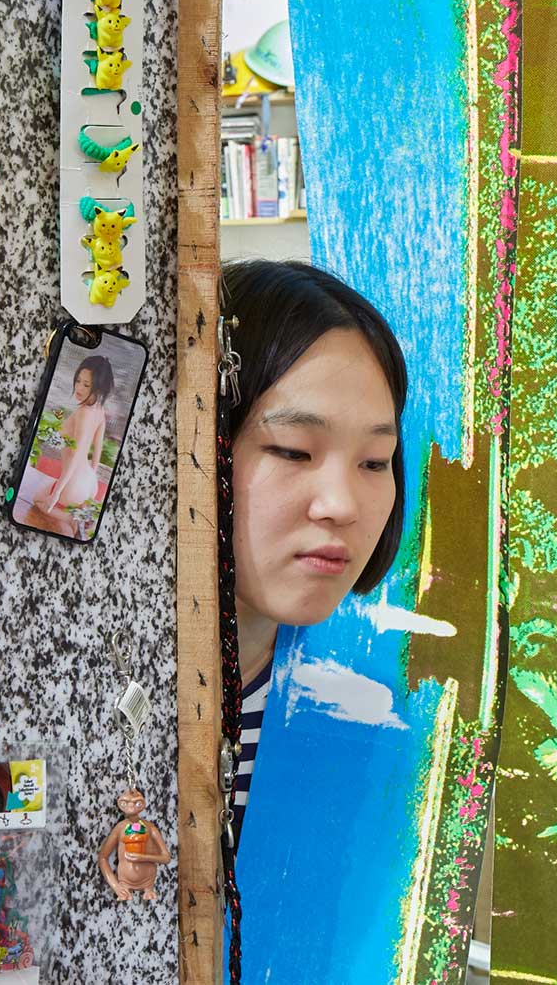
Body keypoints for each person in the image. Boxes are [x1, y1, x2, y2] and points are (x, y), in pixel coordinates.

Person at [219, 259, 406, 851]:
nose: (342, 505)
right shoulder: (107, 703)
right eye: (295, 451)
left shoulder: (375, 710)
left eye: (375, 462)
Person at [36, 355, 115, 538]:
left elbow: (77, 454)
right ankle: (77, 519)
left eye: (86, 385)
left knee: (38, 500)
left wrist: (57, 493)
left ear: (98, 388)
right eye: (78, 381)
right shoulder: (99, 410)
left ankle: (71, 519)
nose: (79, 388)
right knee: (44, 493)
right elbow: (97, 449)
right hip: (89, 481)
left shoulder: (83, 413)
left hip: (73, 482)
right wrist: (90, 482)